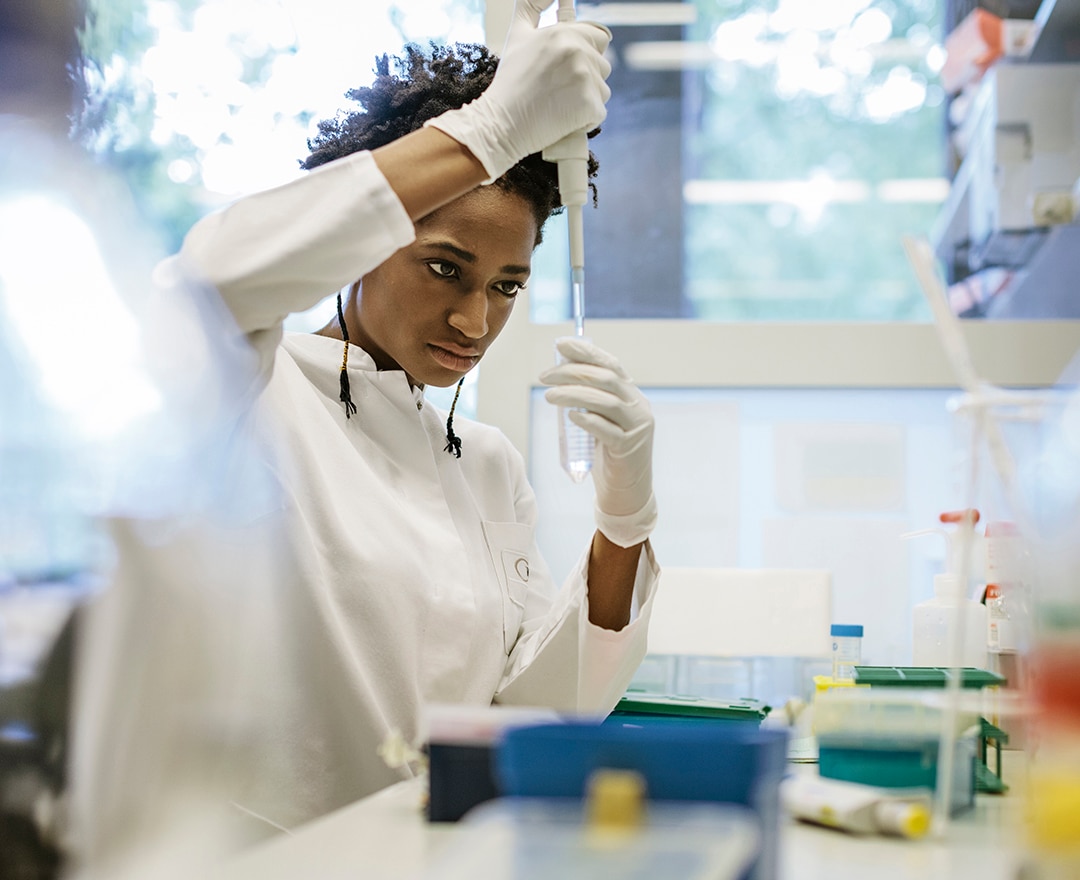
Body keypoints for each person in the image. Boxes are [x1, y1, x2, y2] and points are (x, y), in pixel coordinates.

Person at [156, 0, 660, 830]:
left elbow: (539, 707)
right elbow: (208, 278)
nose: (475, 323)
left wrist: (626, 514)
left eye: (505, 286)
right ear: (360, 242)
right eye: (443, 267)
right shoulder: (248, 394)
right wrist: (490, 131)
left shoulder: (485, 463)